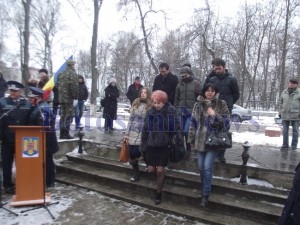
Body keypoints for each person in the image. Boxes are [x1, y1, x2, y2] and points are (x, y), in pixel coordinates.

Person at [187, 83, 230, 207]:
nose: (209, 92)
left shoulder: (221, 104)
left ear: (215, 92)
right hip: (200, 141)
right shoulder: (198, 105)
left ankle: (205, 194)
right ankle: (205, 186)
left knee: (207, 167)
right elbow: (193, 124)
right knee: (201, 167)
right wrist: (191, 140)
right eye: (207, 90)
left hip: (213, 141)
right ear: (204, 92)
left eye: (212, 90)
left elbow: (226, 123)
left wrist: (214, 115)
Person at [140, 90, 181, 205]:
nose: (156, 105)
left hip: (164, 145)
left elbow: (175, 128)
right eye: (154, 102)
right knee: (151, 170)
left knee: (160, 170)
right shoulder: (150, 112)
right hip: (151, 145)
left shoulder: (170, 111)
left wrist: (165, 117)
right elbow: (145, 130)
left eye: (159, 103)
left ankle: (159, 192)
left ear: (164, 102)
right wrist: (143, 146)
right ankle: (161, 179)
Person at [0, 81, 31, 194]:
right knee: (6, 163)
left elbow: (29, 121)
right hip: (7, 139)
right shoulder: (2, 103)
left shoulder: (26, 104)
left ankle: (22, 183)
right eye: (11, 90)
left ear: (20, 91)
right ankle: (7, 185)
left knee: (22, 163)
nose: (12, 93)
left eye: (15, 91)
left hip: (22, 140)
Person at [207, 58, 240, 163]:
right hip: (214, 108)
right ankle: (213, 152)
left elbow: (236, 94)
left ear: (224, 67)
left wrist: (228, 104)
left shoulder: (231, 79)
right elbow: (206, 90)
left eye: (219, 68)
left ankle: (221, 154)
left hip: (226, 109)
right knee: (213, 130)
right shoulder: (212, 80)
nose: (216, 70)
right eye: (214, 68)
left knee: (223, 131)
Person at [27, 87, 59, 187]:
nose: (30, 100)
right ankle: (47, 180)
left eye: (32, 98)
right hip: (41, 140)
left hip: (46, 140)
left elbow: (45, 127)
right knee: (47, 160)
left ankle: (49, 181)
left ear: (37, 98)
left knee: (48, 161)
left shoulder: (43, 109)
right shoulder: (38, 106)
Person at [124, 87, 152, 182]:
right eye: (142, 92)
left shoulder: (151, 105)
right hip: (133, 131)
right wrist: (126, 133)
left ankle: (150, 165)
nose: (143, 94)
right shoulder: (135, 103)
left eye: (145, 92)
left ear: (148, 94)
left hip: (143, 132)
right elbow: (131, 119)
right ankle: (136, 172)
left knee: (139, 152)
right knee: (132, 154)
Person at [174, 66, 201, 159]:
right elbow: (176, 99)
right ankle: (183, 151)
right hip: (181, 112)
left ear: (190, 74)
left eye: (185, 75)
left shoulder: (196, 84)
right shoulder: (179, 85)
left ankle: (189, 148)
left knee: (187, 131)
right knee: (180, 132)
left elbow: (201, 98)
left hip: (192, 112)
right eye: (182, 76)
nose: (184, 77)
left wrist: (198, 110)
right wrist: (176, 109)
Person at [56, 59, 79, 139]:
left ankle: (62, 133)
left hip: (61, 97)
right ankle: (66, 133)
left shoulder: (61, 73)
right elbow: (74, 87)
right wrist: (75, 97)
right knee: (69, 115)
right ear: (72, 65)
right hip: (69, 98)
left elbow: (57, 85)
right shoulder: (73, 74)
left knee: (63, 115)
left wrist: (61, 94)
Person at [279, 78, 300, 151]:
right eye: (290, 82)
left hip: (296, 115)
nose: (291, 84)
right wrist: (280, 112)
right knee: (285, 131)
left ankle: (294, 147)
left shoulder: (299, 92)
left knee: (295, 132)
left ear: (296, 84)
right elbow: (280, 103)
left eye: (293, 83)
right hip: (285, 115)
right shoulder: (284, 92)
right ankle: (285, 145)